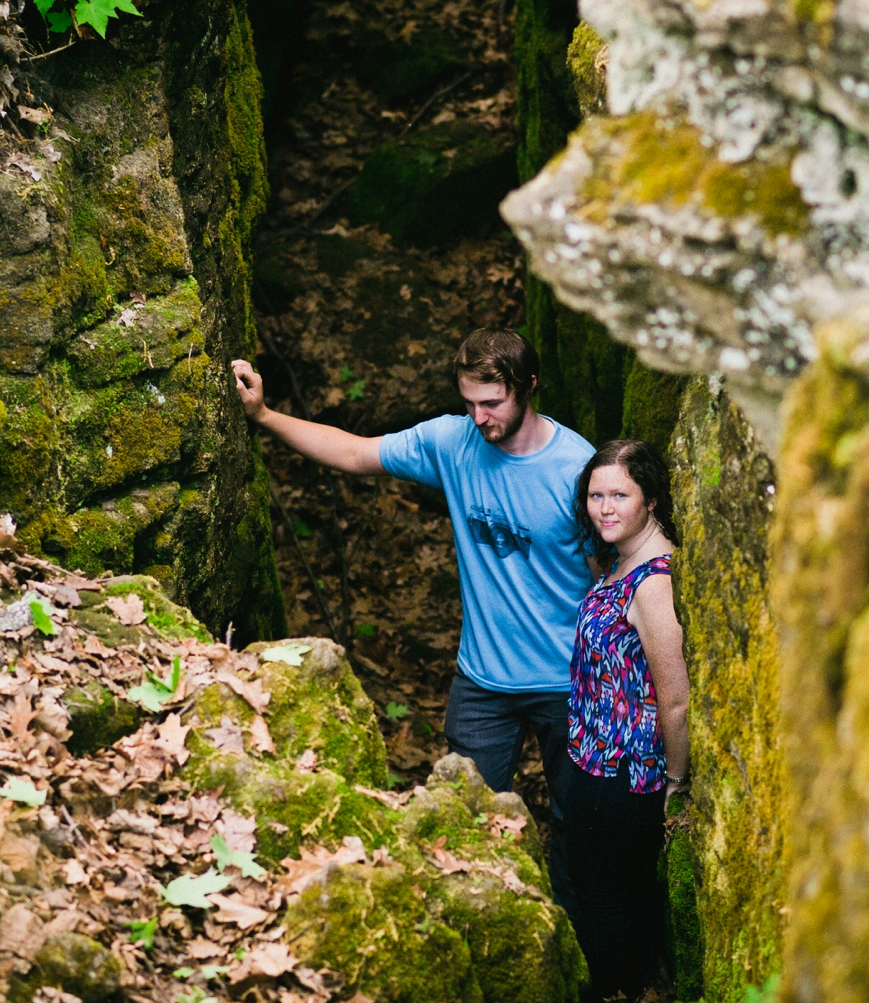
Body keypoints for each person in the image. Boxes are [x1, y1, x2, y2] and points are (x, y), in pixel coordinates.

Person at [230, 328, 596, 898]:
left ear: (529, 386)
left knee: (580, 832)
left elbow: (612, 577)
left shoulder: (579, 469)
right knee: (461, 824)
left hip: (569, 682)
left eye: (492, 403)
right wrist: (265, 416)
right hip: (484, 682)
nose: (479, 417)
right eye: (468, 402)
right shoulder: (452, 443)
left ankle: (585, 961)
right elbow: (354, 453)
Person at [559, 437, 688, 1003]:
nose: (604, 508)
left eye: (620, 495)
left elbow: (675, 699)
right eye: (595, 495)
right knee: (592, 887)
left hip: (626, 776)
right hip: (592, 762)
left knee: (615, 898)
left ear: (652, 500)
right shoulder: (621, 563)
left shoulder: (654, 583)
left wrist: (676, 785)